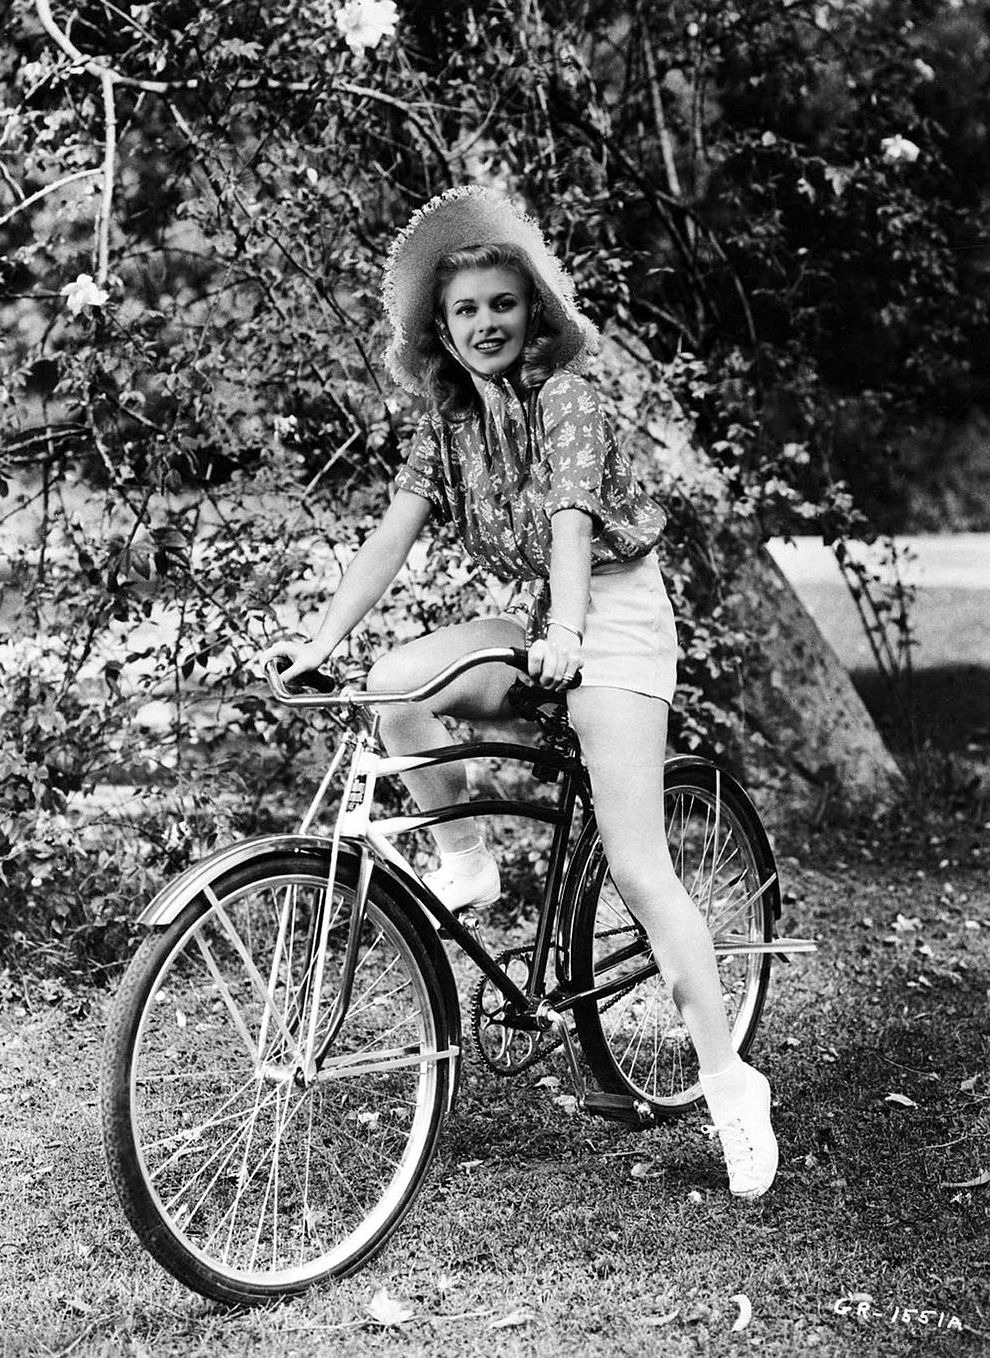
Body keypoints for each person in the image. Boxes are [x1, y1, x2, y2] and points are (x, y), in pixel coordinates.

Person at [271, 185, 778, 1199]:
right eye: (466, 310)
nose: (485, 323)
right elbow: (391, 536)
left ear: (532, 310)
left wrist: (569, 636)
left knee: (638, 864)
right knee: (394, 685)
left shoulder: (568, 398)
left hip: (613, 620)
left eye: (503, 304)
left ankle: (731, 1083)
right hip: (548, 616)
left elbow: (571, 523)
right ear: (440, 327)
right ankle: (467, 860)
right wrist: (320, 639)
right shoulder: (448, 422)